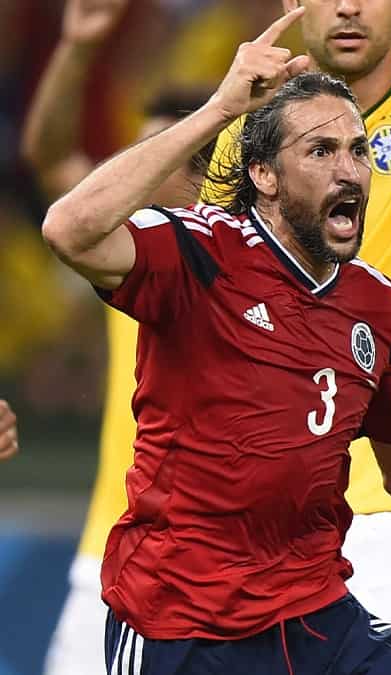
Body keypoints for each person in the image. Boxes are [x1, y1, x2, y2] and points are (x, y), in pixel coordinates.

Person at [41, 11, 391, 673]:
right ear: (264, 176)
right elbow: (70, 223)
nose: (350, 173)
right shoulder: (198, 248)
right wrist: (217, 109)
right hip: (189, 599)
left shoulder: (378, 302)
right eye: (320, 151)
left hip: (334, 579)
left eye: (359, 152)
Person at [20, 3, 221, 671]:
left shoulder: (259, 273)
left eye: (151, 152)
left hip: (218, 583)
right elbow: (47, 156)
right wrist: (78, 49)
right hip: (106, 560)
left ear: (205, 176)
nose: (127, 171)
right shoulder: (125, 251)